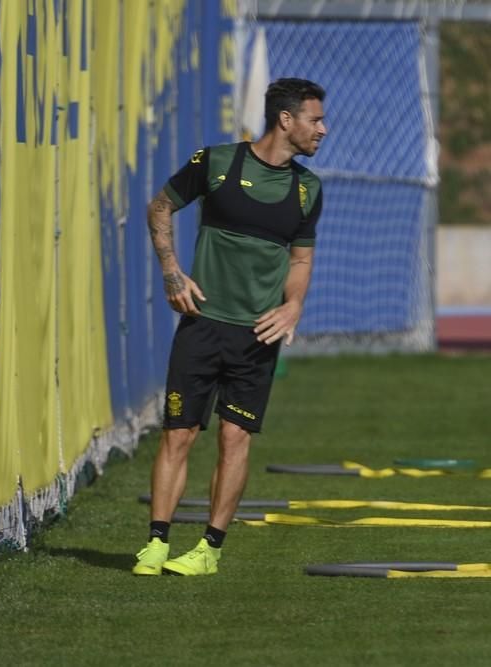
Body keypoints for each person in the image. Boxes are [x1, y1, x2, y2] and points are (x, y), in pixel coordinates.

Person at [132, 78, 327, 576]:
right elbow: (160, 207)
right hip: (202, 327)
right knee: (179, 435)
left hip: (255, 338)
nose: (322, 130)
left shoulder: (308, 189)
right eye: (315, 119)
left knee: (235, 439)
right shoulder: (216, 164)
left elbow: (300, 261)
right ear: (286, 120)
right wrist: (172, 274)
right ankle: (156, 544)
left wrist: (294, 307)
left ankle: (208, 552)